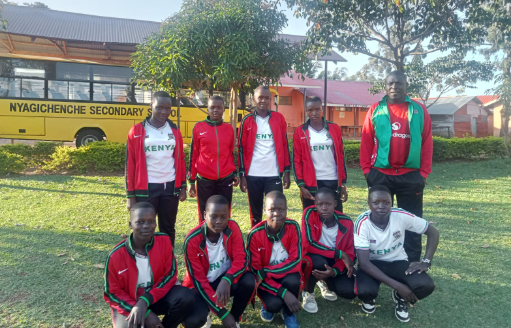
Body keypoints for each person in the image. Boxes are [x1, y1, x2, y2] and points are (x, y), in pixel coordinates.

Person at [360, 70, 433, 262]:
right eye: (391, 83)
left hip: (411, 176)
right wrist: (368, 171)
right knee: (378, 220)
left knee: (412, 222)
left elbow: (426, 142)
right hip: (380, 174)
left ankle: (412, 264)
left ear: (406, 85)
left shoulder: (418, 110)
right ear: (385, 86)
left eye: (399, 83)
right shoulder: (375, 109)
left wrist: (423, 173)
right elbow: (366, 141)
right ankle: (376, 262)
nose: (394, 87)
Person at [354, 185, 439, 323]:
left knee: (426, 285)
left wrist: (426, 261)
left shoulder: (400, 215)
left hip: (398, 261)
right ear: (369, 203)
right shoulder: (362, 223)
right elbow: (364, 263)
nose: (381, 206)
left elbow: (433, 232)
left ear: (391, 203)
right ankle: (371, 297)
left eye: (386, 202)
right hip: (372, 263)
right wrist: (399, 286)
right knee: (364, 290)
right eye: (376, 202)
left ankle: (400, 297)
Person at [103, 202, 195, 328]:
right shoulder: (116, 255)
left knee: (186, 296)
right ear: (130, 224)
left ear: (156, 223)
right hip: (131, 301)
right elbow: (112, 292)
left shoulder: (164, 241)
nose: (146, 226)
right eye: (140, 222)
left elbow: (170, 274)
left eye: (151, 221)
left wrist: (146, 300)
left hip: (155, 295)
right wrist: (144, 312)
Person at [182, 195, 256, 328]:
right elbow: (198, 281)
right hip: (201, 286)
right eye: (214, 216)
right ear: (205, 215)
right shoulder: (192, 240)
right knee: (192, 321)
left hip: (224, 280)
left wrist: (227, 279)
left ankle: (235, 319)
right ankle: (209, 309)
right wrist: (222, 313)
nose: (219, 221)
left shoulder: (232, 227)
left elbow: (242, 259)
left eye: (223, 216)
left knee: (249, 280)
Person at [125, 91, 187, 246]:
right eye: (159, 108)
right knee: (145, 229)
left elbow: (180, 159)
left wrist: (183, 186)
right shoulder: (137, 131)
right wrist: (130, 196)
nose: (164, 112)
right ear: (151, 106)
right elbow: (130, 164)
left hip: (170, 188)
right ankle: (145, 260)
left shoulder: (174, 131)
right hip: (146, 189)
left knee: (168, 228)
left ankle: (167, 261)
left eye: (168, 109)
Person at [237, 85, 291, 227]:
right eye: (260, 97)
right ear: (254, 99)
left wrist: (286, 172)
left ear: (270, 100)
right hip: (253, 174)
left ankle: (274, 241)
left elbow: (285, 146)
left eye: (267, 98)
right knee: (255, 214)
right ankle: (255, 241)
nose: (263, 100)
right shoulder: (247, 120)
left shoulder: (279, 118)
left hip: (273, 174)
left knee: (275, 211)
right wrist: (242, 175)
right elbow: (241, 149)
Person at [246, 191, 302, 328]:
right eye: (272, 209)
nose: (276, 213)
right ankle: (269, 306)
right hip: (266, 282)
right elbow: (256, 272)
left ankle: (289, 313)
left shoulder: (293, 227)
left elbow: (295, 261)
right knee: (273, 305)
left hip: (284, 276)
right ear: (265, 210)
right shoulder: (255, 235)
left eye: (281, 209)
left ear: (286, 210)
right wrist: (283, 292)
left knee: (294, 279)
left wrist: (266, 271)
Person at [300, 188, 356, 314]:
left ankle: (324, 281)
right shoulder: (309, 213)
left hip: (334, 262)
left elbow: (350, 253)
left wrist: (334, 271)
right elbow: (309, 244)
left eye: (328, 204)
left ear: (335, 204)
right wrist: (340, 254)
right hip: (314, 257)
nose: (324, 208)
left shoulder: (346, 222)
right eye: (320, 204)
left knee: (349, 291)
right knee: (318, 262)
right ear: (315, 204)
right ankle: (308, 291)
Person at [187, 95, 239, 222]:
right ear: (207, 109)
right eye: (212, 107)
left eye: (219, 107)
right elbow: (194, 155)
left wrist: (234, 173)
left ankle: (224, 238)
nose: (215, 110)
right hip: (204, 179)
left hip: (225, 178)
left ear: (223, 110)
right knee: (205, 213)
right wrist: (191, 181)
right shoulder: (198, 128)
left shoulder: (229, 129)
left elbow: (230, 153)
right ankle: (204, 237)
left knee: (224, 211)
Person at [293, 96, 348, 212]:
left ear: (322, 109)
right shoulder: (300, 131)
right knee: (311, 217)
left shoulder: (334, 128)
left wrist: (342, 184)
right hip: (311, 182)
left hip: (332, 179)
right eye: (310, 110)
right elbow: (296, 160)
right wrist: (301, 185)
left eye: (317, 109)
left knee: (336, 215)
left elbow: (340, 157)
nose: (314, 113)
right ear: (306, 111)